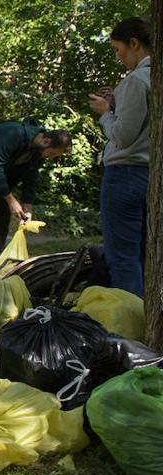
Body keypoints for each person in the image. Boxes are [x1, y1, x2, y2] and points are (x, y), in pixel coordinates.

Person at [0, 120, 73, 280]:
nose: (49, 157)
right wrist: (11, 200)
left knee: (1, 216)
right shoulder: (14, 134)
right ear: (46, 140)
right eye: (51, 153)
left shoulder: (38, 151)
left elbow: (31, 180)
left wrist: (28, 211)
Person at [89, 16, 153, 296]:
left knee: (122, 257)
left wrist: (106, 113)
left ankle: (128, 330)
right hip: (150, 175)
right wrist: (118, 102)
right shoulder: (153, 79)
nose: (117, 56)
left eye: (118, 49)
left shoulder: (137, 80)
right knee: (143, 254)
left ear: (134, 43)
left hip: (125, 174)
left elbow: (123, 135)